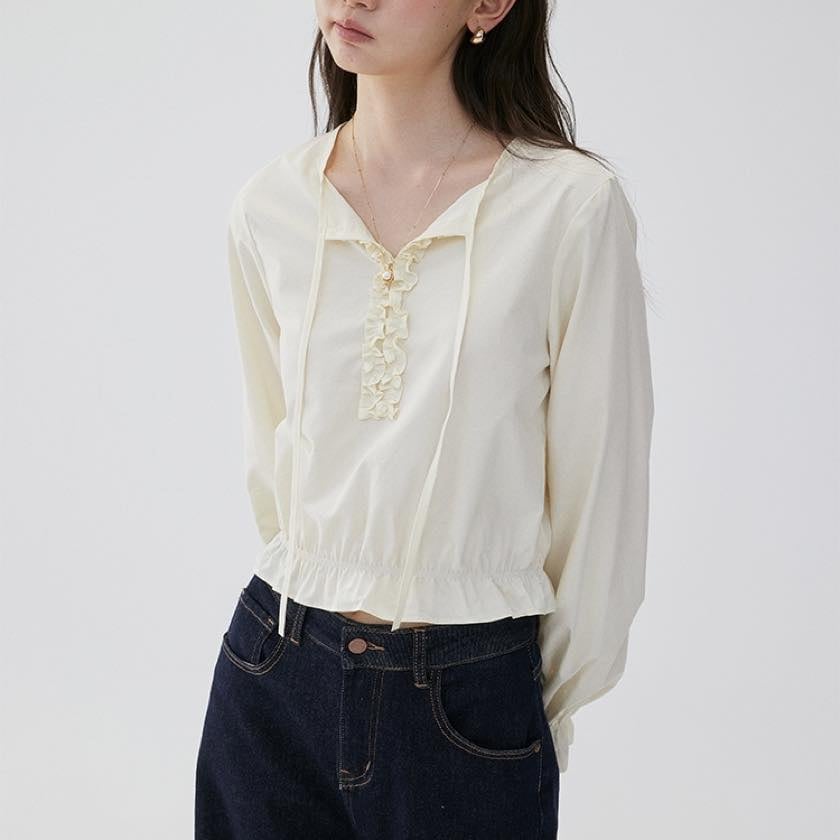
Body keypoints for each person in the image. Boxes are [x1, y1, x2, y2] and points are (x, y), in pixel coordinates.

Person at [195, 1, 654, 837]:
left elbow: (602, 496)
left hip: (470, 697)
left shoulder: (569, 209)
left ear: (488, 5)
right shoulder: (271, 206)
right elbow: (273, 460)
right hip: (272, 672)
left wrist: (525, 705)